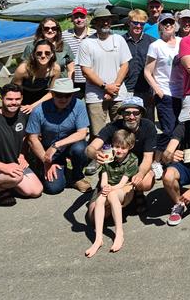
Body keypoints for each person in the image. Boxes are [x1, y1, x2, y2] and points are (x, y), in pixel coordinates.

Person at [86, 97, 157, 213]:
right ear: (122, 114)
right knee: (93, 217)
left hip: (136, 167)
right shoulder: (113, 127)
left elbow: (148, 158)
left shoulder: (148, 126)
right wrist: (94, 153)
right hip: (114, 171)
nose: (132, 116)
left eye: (136, 113)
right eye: (127, 113)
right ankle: (121, 198)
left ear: (141, 114)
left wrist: (140, 173)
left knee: (146, 181)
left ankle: (137, 192)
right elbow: (90, 148)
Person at [25, 78, 91, 194]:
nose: (63, 99)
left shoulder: (79, 105)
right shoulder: (39, 110)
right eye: (59, 95)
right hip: (47, 151)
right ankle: (50, 168)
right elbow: (32, 139)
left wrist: (57, 145)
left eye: (67, 95)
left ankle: (77, 177)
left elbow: (82, 132)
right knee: (53, 188)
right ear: (53, 94)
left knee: (81, 149)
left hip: (69, 145)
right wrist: (46, 161)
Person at [84, 129, 138, 258]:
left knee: (112, 195)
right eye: (116, 146)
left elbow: (122, 183)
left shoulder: (132, 159)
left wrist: (110, 189)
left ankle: (119, 234)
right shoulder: (108, 156)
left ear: (130, 147)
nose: (119, 150)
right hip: (110, 187)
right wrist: (105, 187)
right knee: (100, 200)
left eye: (123, 148)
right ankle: (98, 239)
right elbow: (103, 179)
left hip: (124, 189)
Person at [78, 8, 131, 137]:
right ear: (95, 24)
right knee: (98, 134)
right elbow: (86, 70)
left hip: (118, 94)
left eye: (107, 20)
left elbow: (125, 65)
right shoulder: (86, 43)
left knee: (122, 132)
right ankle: (101, 157)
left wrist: (115, 87)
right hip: (95, 95)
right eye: (101, 21)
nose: (105, 23)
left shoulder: (119, 39)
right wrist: (105, 87)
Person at [143, 12, 182, 180]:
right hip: (165, 92)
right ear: (160, 26)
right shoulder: (156, 45)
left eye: (171, 23)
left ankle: (173, 159)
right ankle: (157, 160)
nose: (168, 25)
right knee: (168, 129)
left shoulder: (182, 42)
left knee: (181, 129)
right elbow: (147, 71)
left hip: (183, 92)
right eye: (165, 23)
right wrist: (157, 89)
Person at [123, 9, 157, 121]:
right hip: (127, 88)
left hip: (146, 89)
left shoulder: (152, 42)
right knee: (129, 120)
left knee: (147, 121)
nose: (138, 26)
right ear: (129, 22)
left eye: (142, 24)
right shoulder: (121, 41)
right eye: (135, 23)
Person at [12, 38, 61, 113]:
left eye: (47, 53)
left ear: (52, 54)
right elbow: (14, 91)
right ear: (34, 54)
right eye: (39, 53)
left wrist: (33, 105)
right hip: (23, 96)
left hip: (43, 97)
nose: (43, 56)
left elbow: (52, 92)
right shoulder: (23, 69)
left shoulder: (55, 69)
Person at [63, 6, 94, 98]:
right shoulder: (65, 35)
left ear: (87, 18)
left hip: (91, 78)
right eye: (76, 17)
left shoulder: (94, 34)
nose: (79, 20)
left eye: (82, 17)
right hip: (73, 78)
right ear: (72, 19)